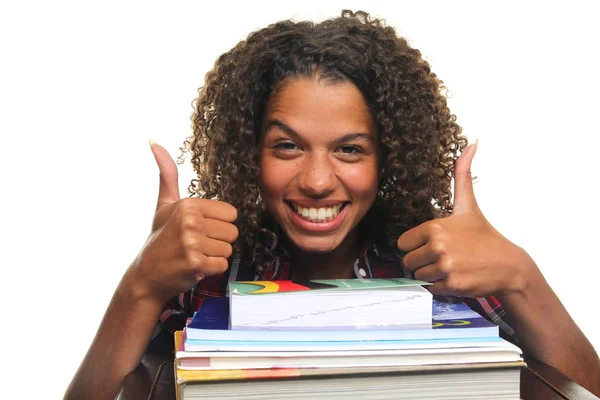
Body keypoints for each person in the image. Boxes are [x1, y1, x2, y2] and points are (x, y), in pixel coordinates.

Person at [65, 10, 600, 399]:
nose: (318, 181)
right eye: (288, 146)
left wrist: (522, 278)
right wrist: (143, 283)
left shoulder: (442, 265)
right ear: (250, 152)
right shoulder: (204, 268)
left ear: (388, 156)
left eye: (350, 149)